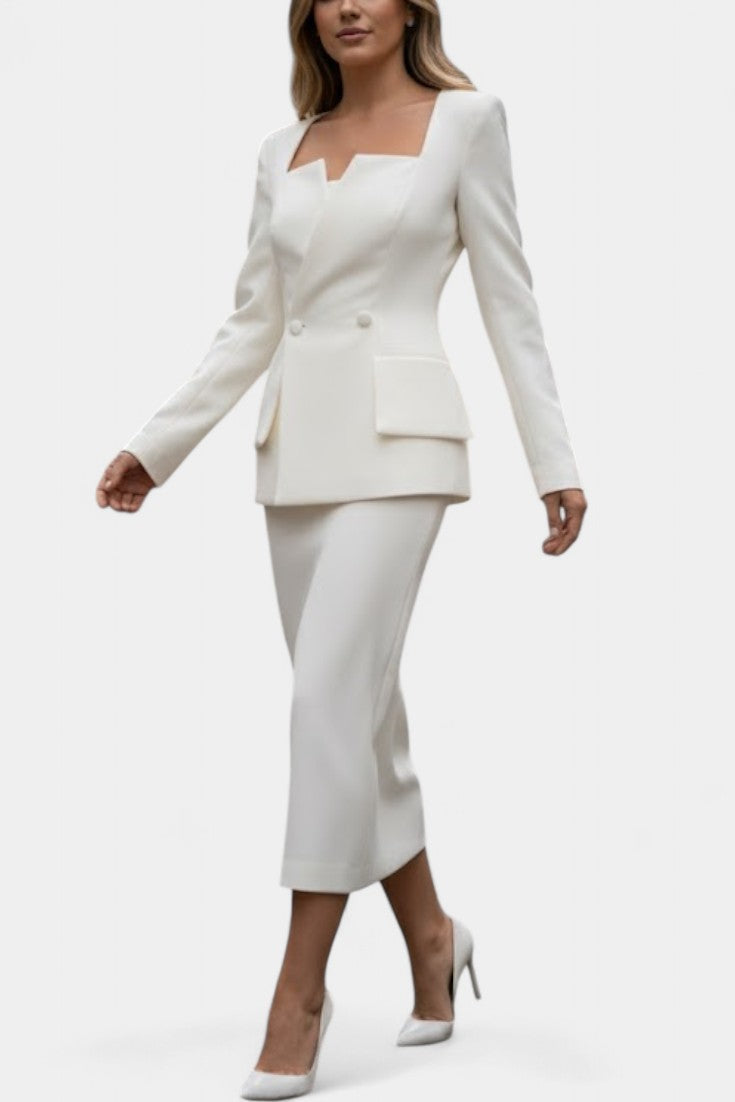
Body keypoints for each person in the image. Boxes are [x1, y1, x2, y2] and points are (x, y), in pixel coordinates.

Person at [96, 0, 588, 1096]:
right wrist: (158, 445)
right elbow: (252, 322)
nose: (347, 6)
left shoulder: (468, 122)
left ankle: (300, 991)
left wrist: (551, 458)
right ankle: (433, 938)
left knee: (325, 699)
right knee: (359, 715)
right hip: (297, 454)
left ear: (413, 8)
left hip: (402, 445)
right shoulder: (283, 148)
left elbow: (510, 300)